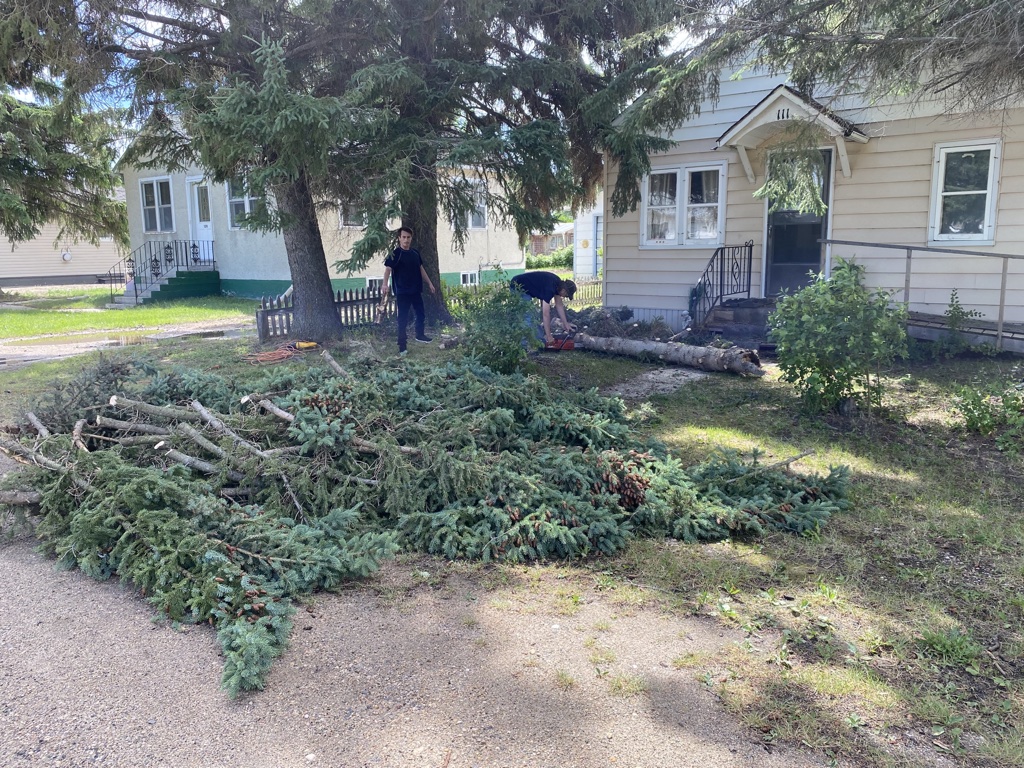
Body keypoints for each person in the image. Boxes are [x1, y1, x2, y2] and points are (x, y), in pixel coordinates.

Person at [380, 226, 437, 353]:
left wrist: (430, 283)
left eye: (408, 237)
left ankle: (420, 335)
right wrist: (385, 284)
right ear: (399, 238)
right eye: (404, 237)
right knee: (403, 319)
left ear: (411, 238)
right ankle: (402, 346)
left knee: (421, 314)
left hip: (416, 290)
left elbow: (421, 269)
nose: (406, 240)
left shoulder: (415, 253)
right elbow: (388, 269)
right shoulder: (396, 254)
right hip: (402, 292)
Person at [510, 271, 577, 345]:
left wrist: (565, 324)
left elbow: (559, 305)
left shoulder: (558, 284)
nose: (564, 297)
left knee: (533, 316)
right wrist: (549, 336)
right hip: (518, 285)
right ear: (564, 290)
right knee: (528, 317)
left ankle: (540, 343)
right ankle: (523, 346)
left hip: (525, 288)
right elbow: (545, 314)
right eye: (566, 295)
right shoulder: (550, 289)